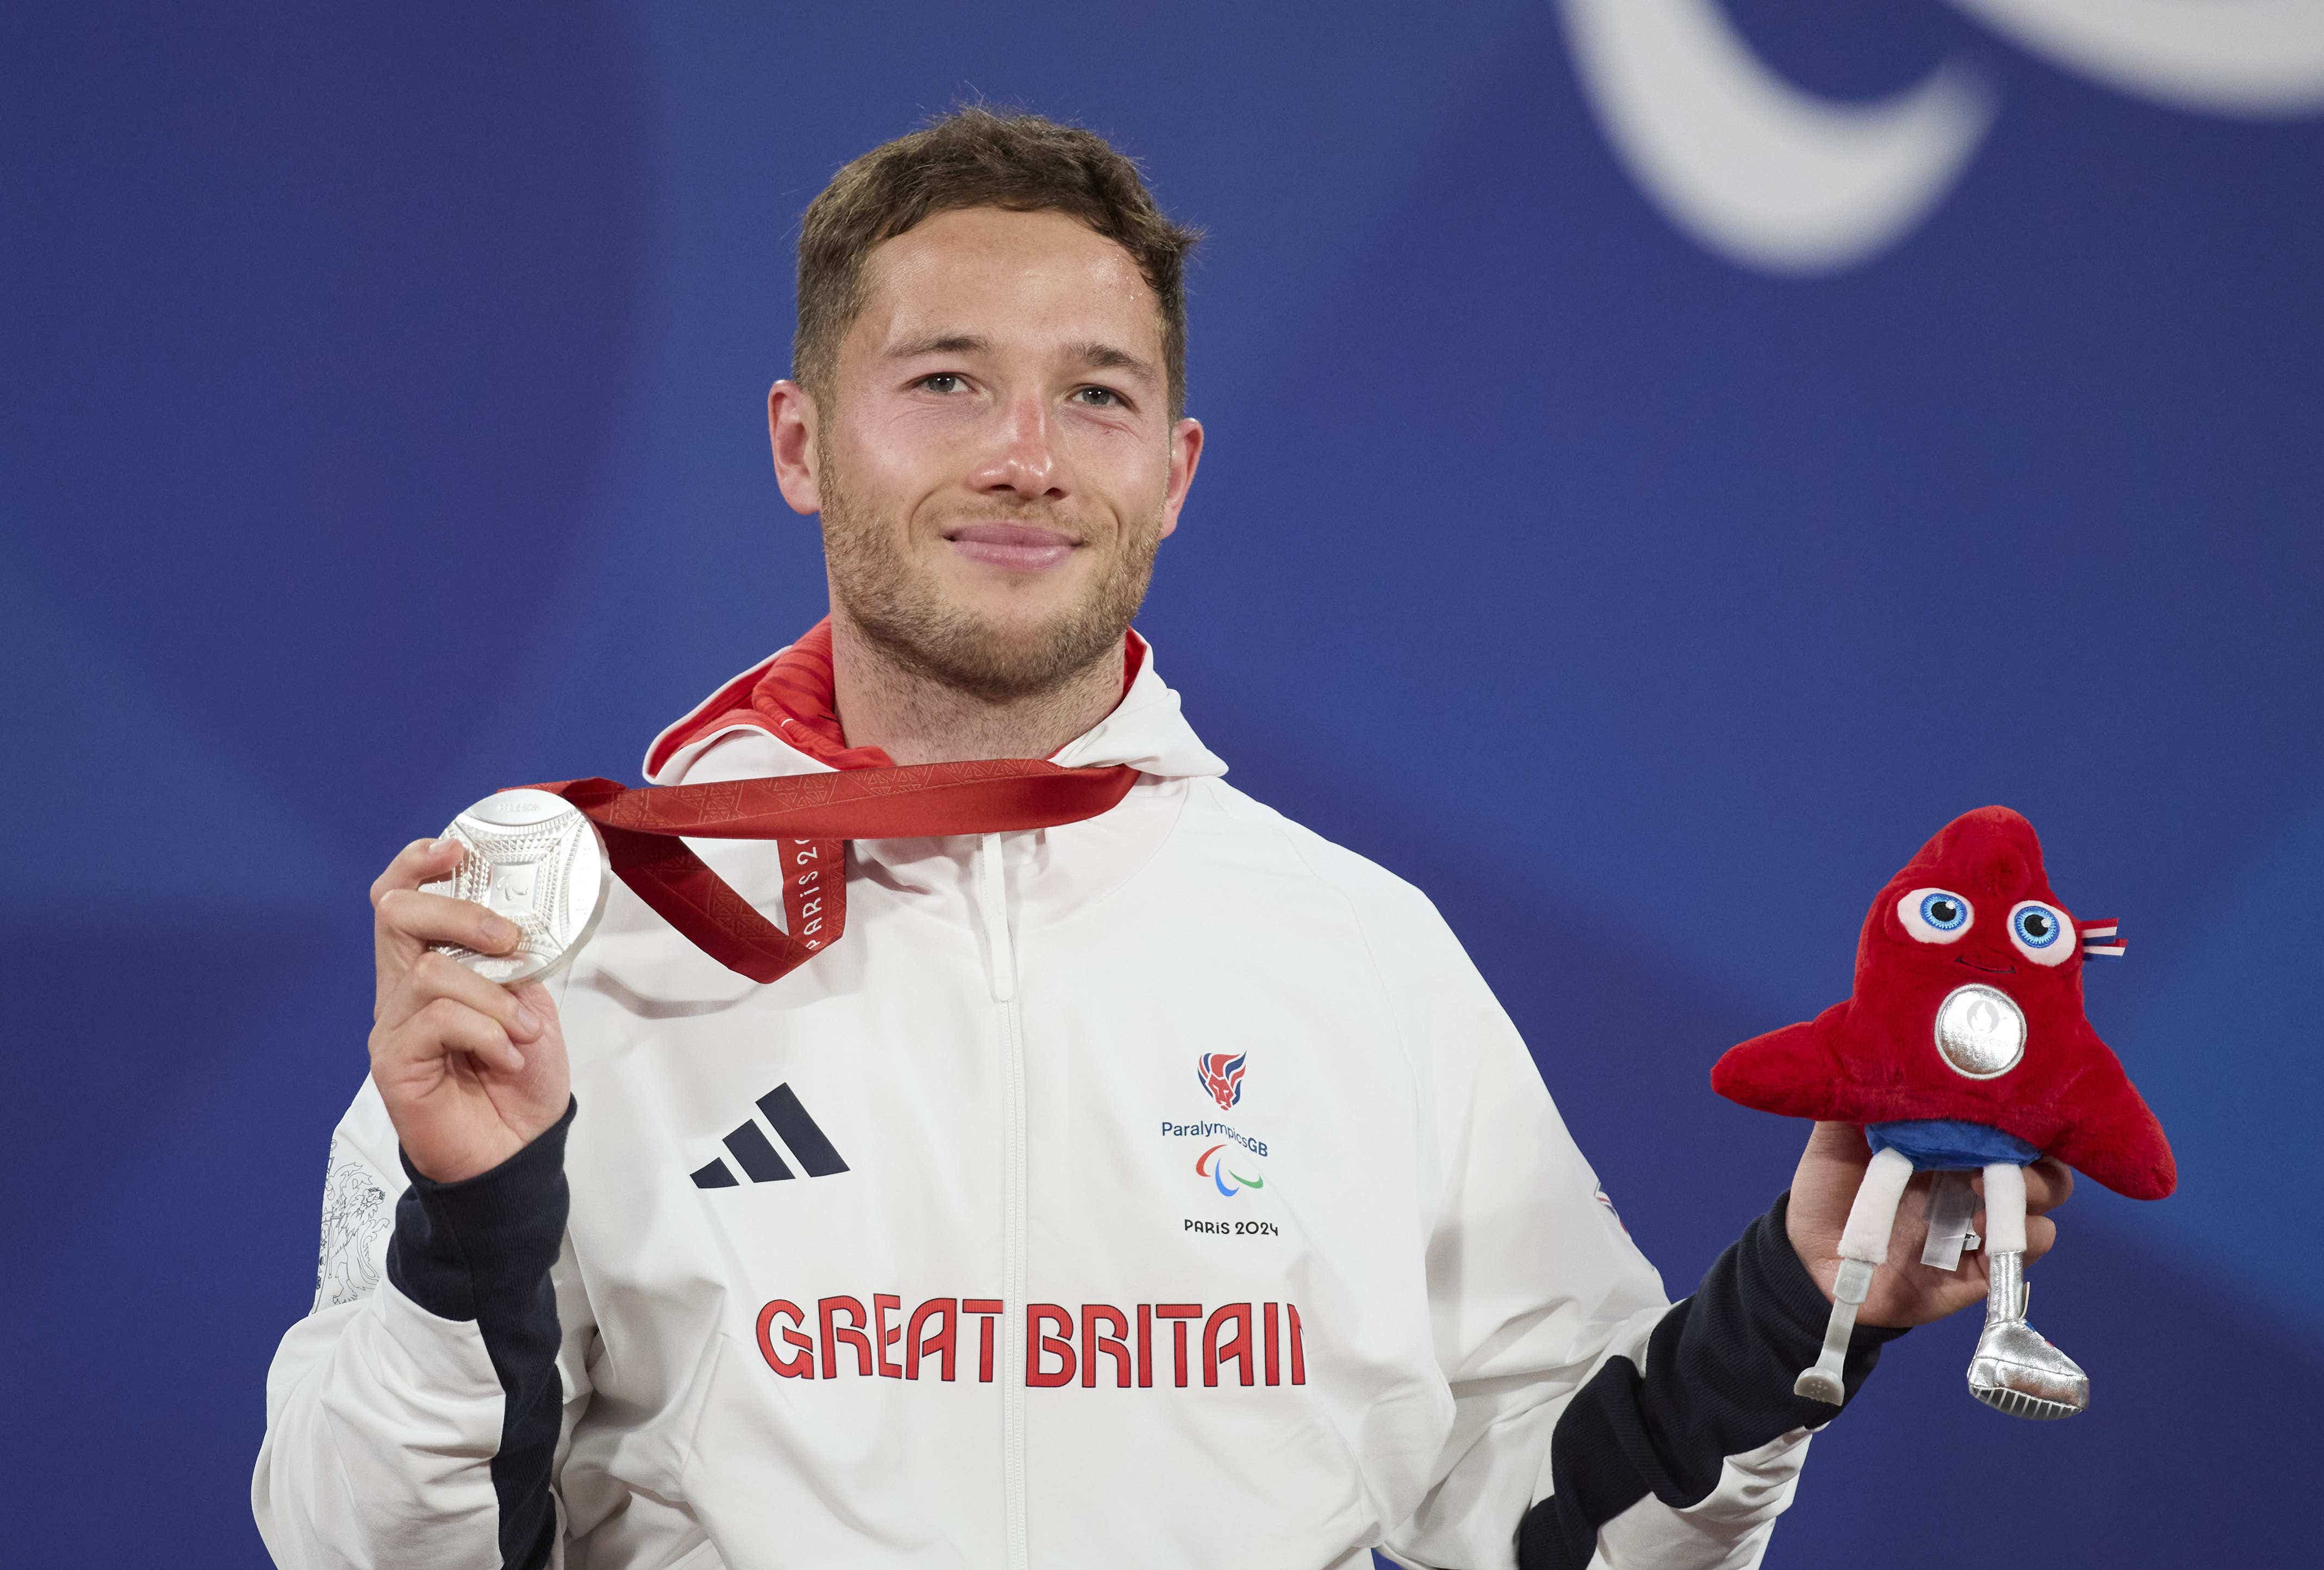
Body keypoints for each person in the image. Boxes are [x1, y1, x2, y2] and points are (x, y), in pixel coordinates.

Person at [253, 107, 2071, 1570]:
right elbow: (359, 1554)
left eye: (1096, 394)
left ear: (1175, 471)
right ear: (803, 442)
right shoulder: (580, 952)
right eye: (946, 381)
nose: (1028, 454)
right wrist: (471, 1236)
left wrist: (1789, 1309)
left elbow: (1540, 1526)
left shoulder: (1357, 955)